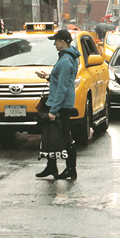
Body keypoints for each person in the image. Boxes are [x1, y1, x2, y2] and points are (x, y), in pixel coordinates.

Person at [36, 29, 80, 181]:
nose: (54, 44)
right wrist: (48, 77)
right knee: (50, 135)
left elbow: (62, 88)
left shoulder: (66, 61)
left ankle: (70, 169)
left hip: (61, 104)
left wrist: (53, 111)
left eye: (55, 41)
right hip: (58, 102)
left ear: (62, 41)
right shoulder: (67, 58)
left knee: (64, 136)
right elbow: (61, 80)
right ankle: (51, 166)